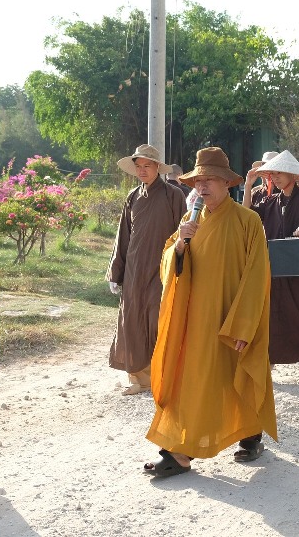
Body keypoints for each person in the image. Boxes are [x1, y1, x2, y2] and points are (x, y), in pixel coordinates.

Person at [144, 147, 277, 477]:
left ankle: (249, 435)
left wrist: (244, 326)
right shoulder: (190, 221)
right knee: (194, 381)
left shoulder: (248, 221)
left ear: (226, 183)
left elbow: (257, 275)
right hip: (195, 320)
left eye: (210, 180)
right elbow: (168, 265)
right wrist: (179, 245)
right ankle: (181, 451)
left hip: (231, 319)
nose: (202, 188)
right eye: (197, 181)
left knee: (236, 378)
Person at [107, 144, 188, 395]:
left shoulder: (173, 195)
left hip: (162, 267)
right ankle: (137, 378)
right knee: (131, 320)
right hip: (133, 269)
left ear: (157, 168)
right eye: (138, 166)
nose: (142, 171)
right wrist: (115, 271)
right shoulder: (132, 196)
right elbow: (123, 236)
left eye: (147, 166)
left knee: (157, 318)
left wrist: (181, 265)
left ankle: (161, 375)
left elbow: (183, 234)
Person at [244, 150, 299, 380]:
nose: (275, 177)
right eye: (273, 173)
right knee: (274, 314)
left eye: (279, 172)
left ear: (292, 174)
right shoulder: (270, 200)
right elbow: (247, 214)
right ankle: (269, 361)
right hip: (274, 265)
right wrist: (249, 184)